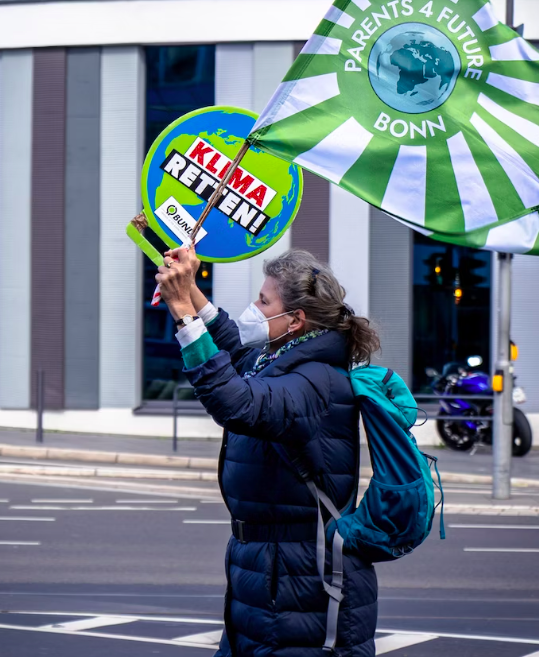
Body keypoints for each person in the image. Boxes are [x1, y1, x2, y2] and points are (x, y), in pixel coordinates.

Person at [156, 245, 380, 657]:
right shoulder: (280, 357)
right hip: (268, 574)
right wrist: (190, 289)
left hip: (297, 588)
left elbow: (237, 404)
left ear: (295, 320)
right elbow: (236, 348)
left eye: (263, 301)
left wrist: (183, 313)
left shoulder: (316, 380)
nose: (253, 309)